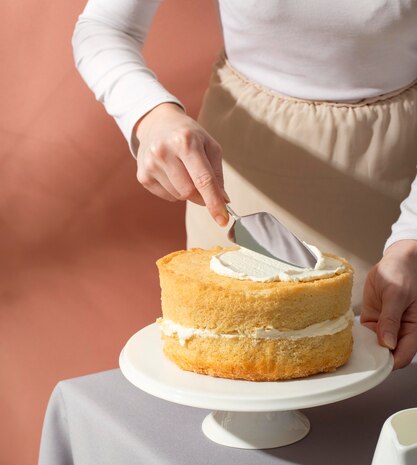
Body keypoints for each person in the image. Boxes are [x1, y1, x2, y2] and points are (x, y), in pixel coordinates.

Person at [72, 0, 417, 369]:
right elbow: (103, 28)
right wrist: (151, 114)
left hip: (397, 193)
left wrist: (411, 239)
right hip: (235, 187)